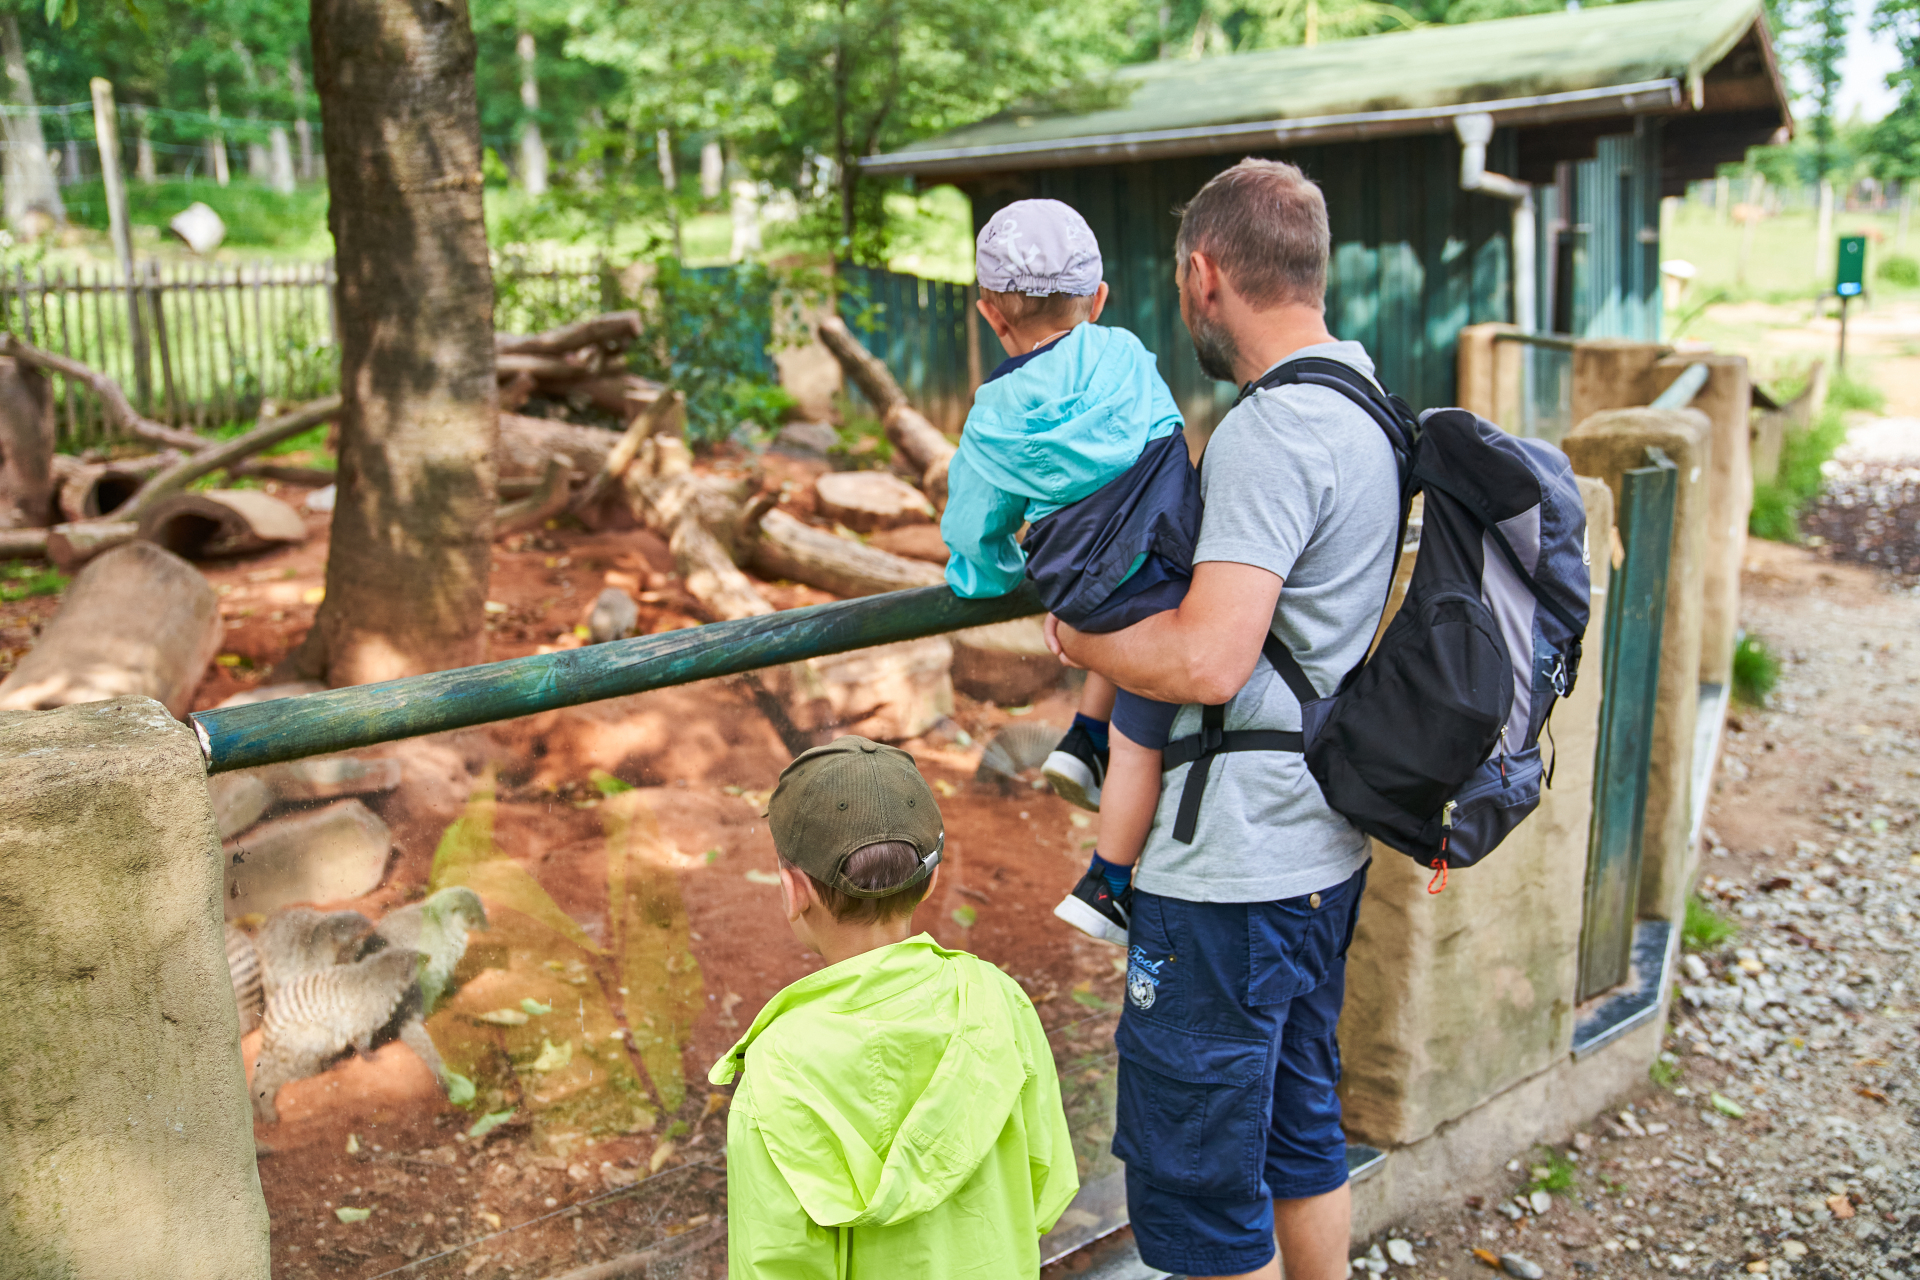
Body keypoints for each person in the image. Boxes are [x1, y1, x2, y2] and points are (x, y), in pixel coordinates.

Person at [1045, 159, 1400, 1280]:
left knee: (1198, 1178)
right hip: (1319, 845)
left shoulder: (1273, 430)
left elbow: (1207, 655)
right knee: (1300, 1129)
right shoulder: (1364, 398)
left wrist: (1080, 637)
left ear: (1204, 274)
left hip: (1231, 867)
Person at [709, 735, 1079, 1279]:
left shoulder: (779, 1068)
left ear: (793, 891)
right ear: (930, 881)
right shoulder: (994, 996)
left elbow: (776, 1264)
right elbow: (1048, 1186)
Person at [940, 197, 1199, 945]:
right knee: (1141, 727)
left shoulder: (994, 412)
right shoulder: (1125, 354)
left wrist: (982, 579)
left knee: (1111, 632)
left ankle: (1095, 808)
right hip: (1169, 567)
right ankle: (1099, 811)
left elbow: (975, 523)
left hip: (1085, 589)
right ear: (1100, 299)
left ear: (991, 315)